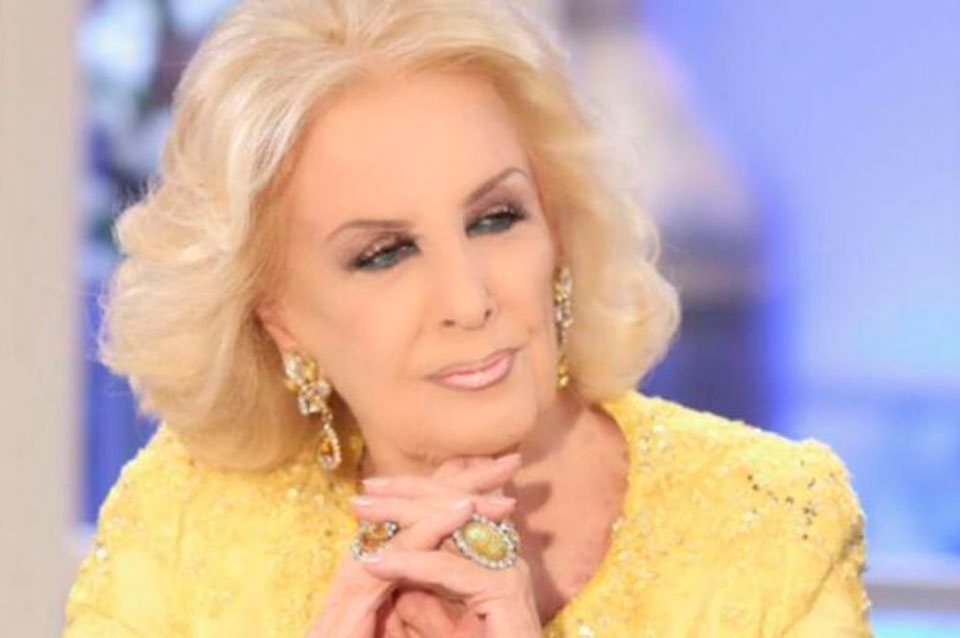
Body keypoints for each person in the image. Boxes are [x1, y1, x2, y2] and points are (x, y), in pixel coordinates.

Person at [63, 0, 874, 636]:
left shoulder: (774, 523)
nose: (469, 299)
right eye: (384, 253)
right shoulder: (184, 526)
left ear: (556, 225)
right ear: (276, 316)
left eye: (495, 219)